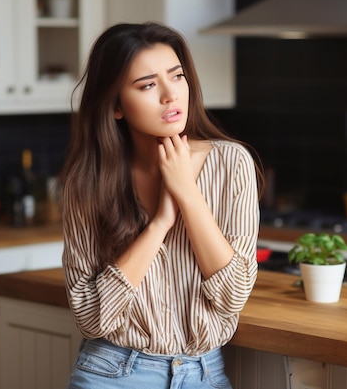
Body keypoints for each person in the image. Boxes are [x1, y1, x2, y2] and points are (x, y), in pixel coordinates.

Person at [60, 21, 264, 389]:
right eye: (148, 85)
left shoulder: (232, 163)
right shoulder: (87, 183)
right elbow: (91, 317)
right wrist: (160, 223)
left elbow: (233, 295)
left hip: (203, 374)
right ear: (116, 105)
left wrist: (187, 193)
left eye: (177, 76)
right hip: (112, 373)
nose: (171, 95)